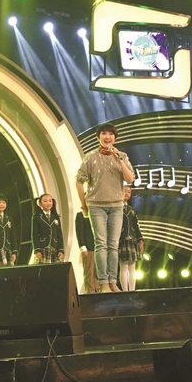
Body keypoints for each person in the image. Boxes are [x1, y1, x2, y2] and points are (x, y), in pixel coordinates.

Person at [75, 122, 135, 293]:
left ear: (115, 138)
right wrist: (83, 203)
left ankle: (113, 282)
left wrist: (120, 160)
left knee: (113, 245)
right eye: (104, 134)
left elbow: (130, 179)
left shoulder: (122, 156)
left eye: (110, 134)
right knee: (101, 244)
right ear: (98, 137)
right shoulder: (90, 157)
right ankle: (103, 283)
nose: (107, 137)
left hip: (116, 205)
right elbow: (79, 181)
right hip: (96, 205)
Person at [119, 186, 144, 291]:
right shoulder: (116, 208)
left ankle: (132, 290)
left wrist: (140, 240)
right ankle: (125, 291)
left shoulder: (132, 210)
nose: (127, 193)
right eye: (124, 191)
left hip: (132, 240)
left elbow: (136, 226)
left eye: (129, 192)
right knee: (124, 266)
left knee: (132, 267)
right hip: (121, 239)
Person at [32, 193, 64, 263]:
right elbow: (34, 235)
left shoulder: (55, 217)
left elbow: (59, 234)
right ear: (40, 204)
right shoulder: (37, 217)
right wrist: (37, 250)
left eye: (50, 201)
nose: (48, 203)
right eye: (45, 201)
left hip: (55, 248)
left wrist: (61, 249)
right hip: (43, 248)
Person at [75, 209, 98, 293]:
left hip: (98, 247)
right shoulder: (80, 215)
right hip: (88, 248)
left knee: (98, 272)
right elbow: (79, 232)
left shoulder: (97, 212)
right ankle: (90, 291)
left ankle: (98, 290)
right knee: (89, 272)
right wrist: (82, 247)